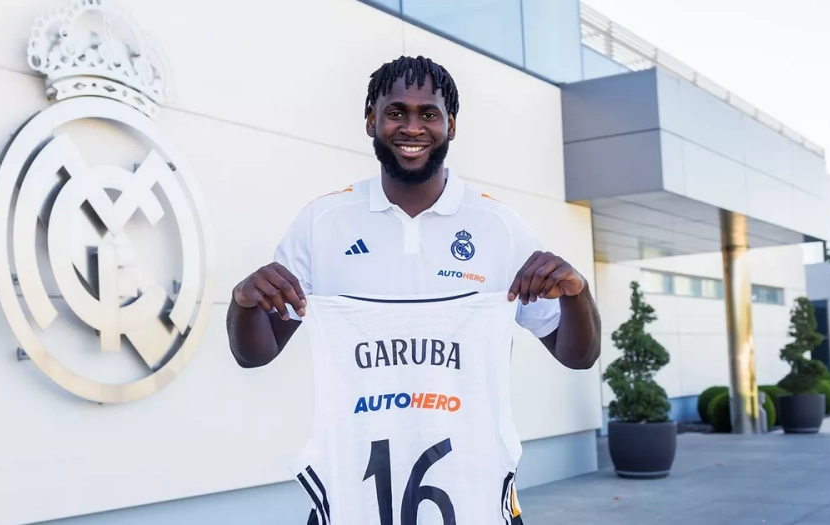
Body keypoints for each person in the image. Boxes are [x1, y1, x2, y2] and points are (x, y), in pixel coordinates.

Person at [226, 55, 602, 523]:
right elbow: (255, 354)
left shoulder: (499, 227)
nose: (412, 127)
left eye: (429, 114)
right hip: (353, 499)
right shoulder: (322, 223)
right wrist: (243, 303)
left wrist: (577, 292)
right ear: (371, 120)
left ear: (452, 125)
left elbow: (578, 356)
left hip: (476, 497)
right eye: (396, 111)